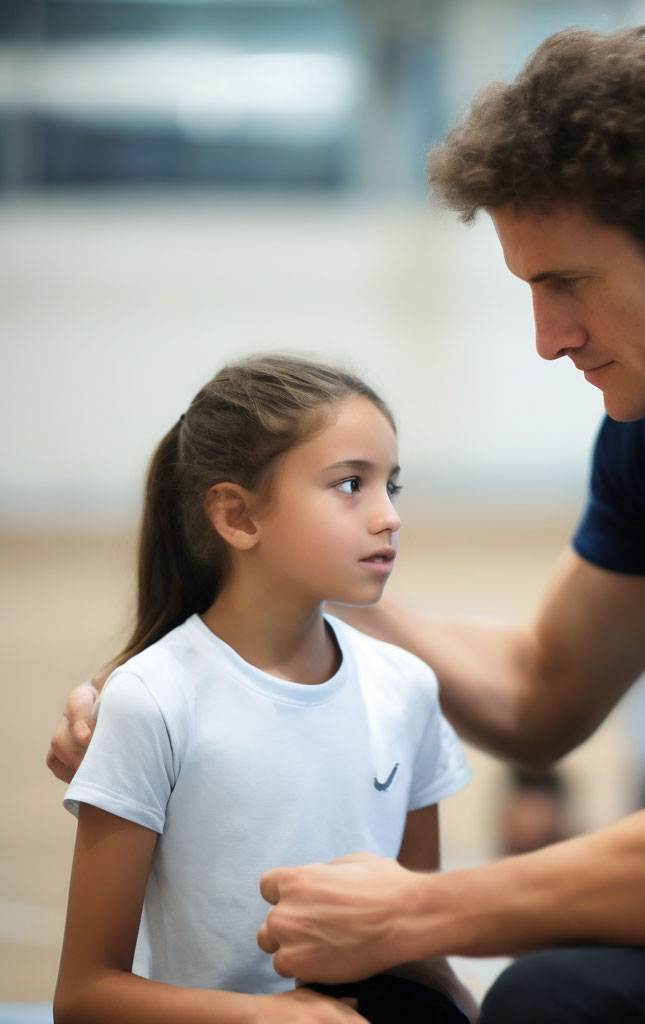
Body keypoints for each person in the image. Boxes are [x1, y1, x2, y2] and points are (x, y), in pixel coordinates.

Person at [48, 26, 645, 1023]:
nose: (547, 339)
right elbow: (542, 691)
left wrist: (416, 910)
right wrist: (254, 624)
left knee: (562, 999)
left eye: (566, 284)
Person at [51, 356, 476, 1024]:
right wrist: (271, 1017)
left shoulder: (407, 689)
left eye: (392, 485)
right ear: (237, 516)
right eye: (349, 485)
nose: (389, 516)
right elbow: (84, 996)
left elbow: (417, 945)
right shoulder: (152, 699)